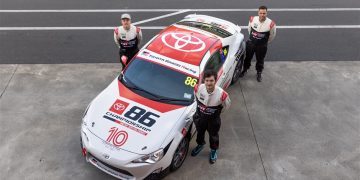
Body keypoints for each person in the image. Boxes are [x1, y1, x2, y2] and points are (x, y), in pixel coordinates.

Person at [191, 70, 231, 164]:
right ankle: (200, 145)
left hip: (213, 121)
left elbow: (227, 106)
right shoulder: (198, 88)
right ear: (204, 81)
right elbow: (195, 99)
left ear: (215, 80)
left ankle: (213, 151)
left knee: (213, 136)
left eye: (211, 80)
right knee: (200, 133)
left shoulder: (222, 95)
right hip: (200, 118)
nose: (209, 83)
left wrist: (216, 113)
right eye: (207, 80)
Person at [240, 5, 276, 82]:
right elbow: (249, 29)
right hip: (251, 44)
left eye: (264, 13)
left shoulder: (271, 24)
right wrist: (254, 39)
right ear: (258, 13)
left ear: (267, 13)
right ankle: (245, 69)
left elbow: (272, 35)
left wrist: (264, 42)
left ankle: (259, 72)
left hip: (261, 46)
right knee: (248, 58)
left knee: (260, 60)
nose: (262, 15)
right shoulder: (252, 19)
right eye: (261, 13)